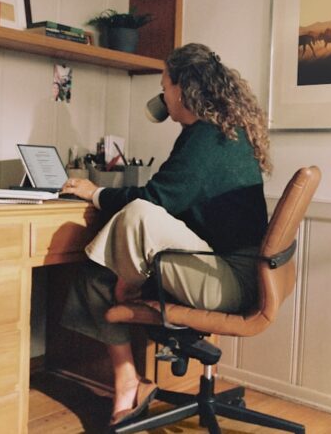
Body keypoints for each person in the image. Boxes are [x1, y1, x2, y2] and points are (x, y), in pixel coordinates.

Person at [59, 42, 272, 426]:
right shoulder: (221, 131)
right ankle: (128, 379)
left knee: (126, 230)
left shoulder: (207, 138)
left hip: (228, 280)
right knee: (95, 270)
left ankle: (128, 379)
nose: (162, 94)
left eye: (164, 84)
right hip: (235, 271)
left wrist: (96, 192)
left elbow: (156, 200)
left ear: (182, 89)